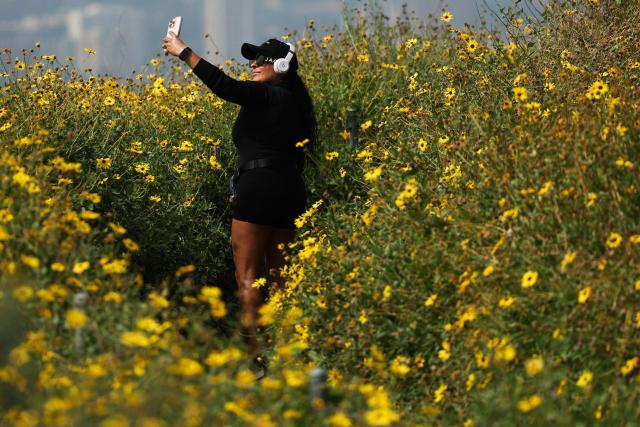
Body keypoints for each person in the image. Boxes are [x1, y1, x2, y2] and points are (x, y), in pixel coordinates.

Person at [162, 32, 316, 362]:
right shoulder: (296, 103)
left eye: (262, 60)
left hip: (258, 188)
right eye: (252, 59)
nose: (254, 64)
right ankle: (289, 351)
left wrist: (184, 52)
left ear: (284, 66)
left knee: (248, 279)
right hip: (290, 189)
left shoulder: (269, 96)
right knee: (281, 279)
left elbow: (225, 86)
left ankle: (257, 358)